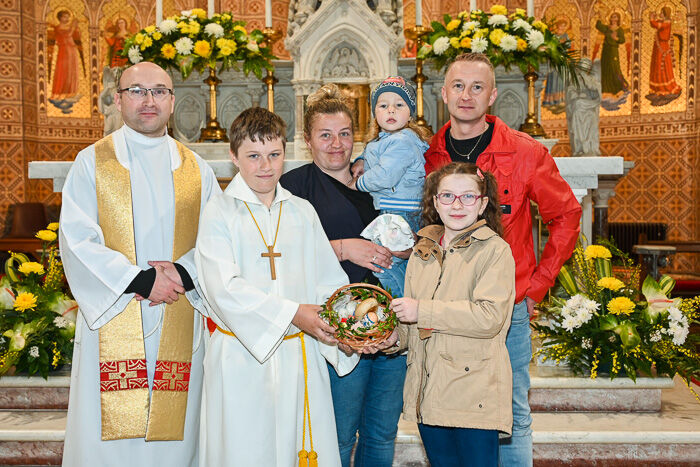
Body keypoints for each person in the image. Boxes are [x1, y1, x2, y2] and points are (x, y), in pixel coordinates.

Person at [424, 53, 582, 467]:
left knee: (510, 411)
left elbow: (565, 215)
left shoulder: (525, 152)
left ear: (492, 95)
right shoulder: (430, 155)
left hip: (504, 308)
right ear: (443, 93)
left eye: (477, 87)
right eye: (458, 85)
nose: (466, 95)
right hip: (446, 307)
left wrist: (538, 286)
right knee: (446, 401)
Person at [59, 61, 221, 466]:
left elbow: (220, 242)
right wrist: (141, 280)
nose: (148, 101)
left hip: (178, 313)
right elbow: (77, 240)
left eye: (159, 91)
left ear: (172, 101)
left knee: (174, 442)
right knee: (109, 444)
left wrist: (182, 273)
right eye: (137, 90)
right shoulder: (91, 162)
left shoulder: (196, 169)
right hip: (116, 311)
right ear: (118, 99)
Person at [195, 107, 359, 466]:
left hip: (299, 354)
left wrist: (347, 325)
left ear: (286, 152)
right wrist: (294, 313)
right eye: (253, 156)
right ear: (233, 156)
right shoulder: (218, 213)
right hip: (241, 357)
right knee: (246, 450)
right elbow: (223, 288)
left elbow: (328, 281)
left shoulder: (302, 211)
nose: (265, 166)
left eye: (274, 155)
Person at [281, 84, 407, 467]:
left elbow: (418, 222)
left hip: (392, 322)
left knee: (381, 432)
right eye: (325, 135)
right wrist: (341, 247)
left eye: (345, 134)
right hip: (338, 329)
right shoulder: (294, 187)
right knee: (336, 431)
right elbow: (277, 255)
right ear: (307, 140)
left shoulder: (381, 181)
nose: (336, 144)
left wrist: (409, 244)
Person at [390, 162, 515, 466]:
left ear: (483, 204)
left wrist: (422, 310)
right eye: (447, 196)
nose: (457, 205)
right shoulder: (423, 251)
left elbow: (489, 317)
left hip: (473, 392)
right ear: (434, 201)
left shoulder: (494, 251)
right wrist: (390, 338)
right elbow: (412, 322)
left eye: (467, 197)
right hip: (429, 391)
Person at [349, 76, 431, 297]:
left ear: (410, 113)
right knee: (394, 262)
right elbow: (372, 152)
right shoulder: (385, 139)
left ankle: (403, 301)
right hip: (395, 209)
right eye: (383, 106)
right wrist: (360, 160)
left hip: (401, 210)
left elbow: (385, 176)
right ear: (375, 113)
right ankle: (407, 301)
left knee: (386, 264)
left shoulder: (403, 140)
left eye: (399, 105)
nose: (391, 111)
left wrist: (357, 184)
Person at [647, 6, 682, 106]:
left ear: (665, 14)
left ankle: (664, 89)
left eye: (661, 13)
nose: (660, 14)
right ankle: (656, 89)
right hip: (658, 48)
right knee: (656, 67)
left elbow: (655, 25)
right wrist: (653, 17)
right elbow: (655, 23)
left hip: (662, 49)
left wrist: (651, 18)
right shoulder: (664, 21)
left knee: (661, 67)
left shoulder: (666, 23)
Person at [48, 9, 84, 99]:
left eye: (68, 17)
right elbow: (66, 35)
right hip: (63, 51)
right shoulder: (57, 28)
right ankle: (58, 93)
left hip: (72, 50)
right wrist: (73, 27)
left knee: (72, 70)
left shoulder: (70, 28)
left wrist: (76, 29)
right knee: (62, 70)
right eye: (65, 17)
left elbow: (77, 38)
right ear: (60, 18)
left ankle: (71, 92)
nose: (67, 19)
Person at [594, 13, 629, 101]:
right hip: (606, 50)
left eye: (615, 17)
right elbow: (598, 26)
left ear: (618, 19)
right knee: (605, 68)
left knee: (614, 68)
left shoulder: (619, 29)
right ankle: (605, 90)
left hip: (613, 50)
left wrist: (616, 38)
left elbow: (622, 40)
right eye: (612, 16)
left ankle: (618, 87)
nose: (613, 18)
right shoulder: (607, 28)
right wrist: (600, 17)